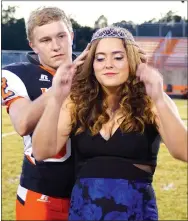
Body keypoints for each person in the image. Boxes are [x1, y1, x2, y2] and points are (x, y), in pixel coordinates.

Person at [33, 26, 186, 221]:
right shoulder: (76, 102)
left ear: (131, 61)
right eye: (100, 58)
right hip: (84, 210)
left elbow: (184, 151)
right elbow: (41, 151)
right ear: (92, 64)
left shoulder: (152, 100)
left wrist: (158, 98)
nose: (108, 64)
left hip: (135, 212)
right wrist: (56, 97)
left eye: (118, 57)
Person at [2, 6, 89, 220]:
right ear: (33, 45)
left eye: (61, 36)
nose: (56, 46)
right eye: (45, 40)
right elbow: (22, 123)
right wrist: (59, 88)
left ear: (72, 36)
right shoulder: (16, 74)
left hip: (91, 192)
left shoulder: (93, 71)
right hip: (40, 195)